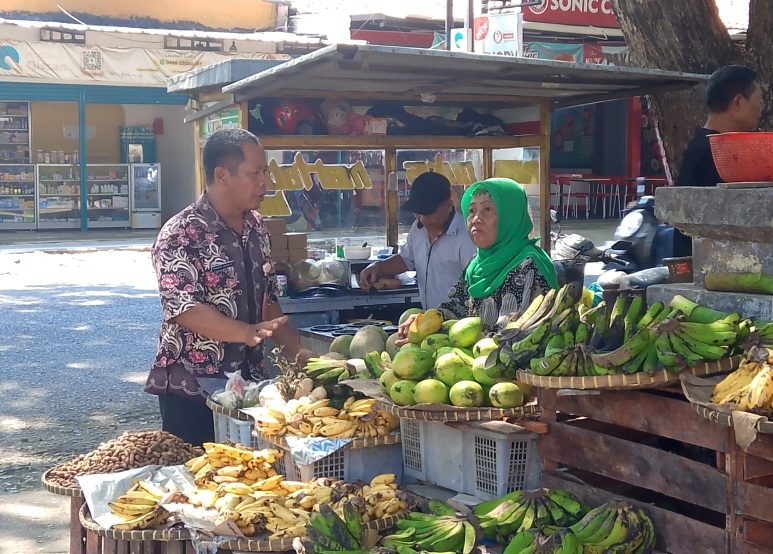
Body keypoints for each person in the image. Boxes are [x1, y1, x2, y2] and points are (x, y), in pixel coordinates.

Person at [145, 128, 317, 446]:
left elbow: (269, 297)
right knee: (198, 482)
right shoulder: (181, 233)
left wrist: (294, 349)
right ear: (222, 175)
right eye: (255, 173)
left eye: (265, 171)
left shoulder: (257, 226)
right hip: (192, 387)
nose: (265, 181)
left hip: (249, 383)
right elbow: (184, 309)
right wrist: (245, 332)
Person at [398, 178, 558, 341]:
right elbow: (456, 305)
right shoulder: (477, 263)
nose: (476, 219)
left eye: (487, 209)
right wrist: (427, 321)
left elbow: (511, 336)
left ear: (509, 216)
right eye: (472, 211)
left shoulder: (528, 266)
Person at [673, 64, 762, 257]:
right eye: (758, 100)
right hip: (709, 270)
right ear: (738, 102)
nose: (760, 108)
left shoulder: (701, 144)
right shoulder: (712, 151)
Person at [359, 172, 477, 309]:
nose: (419, 217)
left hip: (459, 322)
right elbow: (406, 259)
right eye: (416, 211)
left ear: (448, 206)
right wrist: (377, 266)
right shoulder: (418, 228)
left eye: (426, 212)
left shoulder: (467, 237)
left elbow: (475, 287)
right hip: (429, 319)